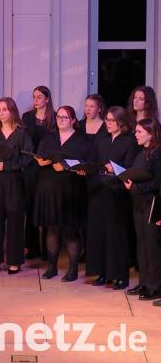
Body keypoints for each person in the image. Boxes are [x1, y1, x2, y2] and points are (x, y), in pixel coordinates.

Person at [34, 106, 90, 282]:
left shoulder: (82, 140)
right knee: (53, 229)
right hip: (50, 189)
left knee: (71, 232)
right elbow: (40, 156)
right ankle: (52, 267)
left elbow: (86, 163)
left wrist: (66, 166)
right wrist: (41, 161)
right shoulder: (49, 137)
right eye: (59, 117)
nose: (61, 120)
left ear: (73, 120)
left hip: (71, 190)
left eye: (65, 117)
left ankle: (73, 270)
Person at [86, 106, 137, 290]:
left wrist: (114, 169)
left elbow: (131, 167)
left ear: (120, 122)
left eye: (111, 120)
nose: (107, 123)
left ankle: (120, 276)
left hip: (117, 193)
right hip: (100, 191)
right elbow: (93, 161)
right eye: (106, 120)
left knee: (116, 235)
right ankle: (103, 273)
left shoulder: (128, 141)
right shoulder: (102, 139)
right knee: (99, 233)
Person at [0, 97, 33, 274]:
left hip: (14, 180)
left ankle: (14, 260)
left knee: (15, 221)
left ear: (12, 111)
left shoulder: (21, 133)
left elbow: (28, 158)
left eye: (5, 109)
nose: (1, 113)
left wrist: (9, 165)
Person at [124, 117, 161, 301]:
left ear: (150, 134)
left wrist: (136, 187)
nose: (135, 135)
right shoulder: (142, 153)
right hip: (139, 204)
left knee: (152, 247)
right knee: (142, 245)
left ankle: (155, 287)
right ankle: (144, 283)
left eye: (139, 132)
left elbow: (157, 183)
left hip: (152, 204)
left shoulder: (158, 154)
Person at [22, 86, 56, 260]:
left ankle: (47, 250)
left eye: (39, 97)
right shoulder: (27, 117)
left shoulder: (55, 118)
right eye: (34, 97)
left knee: (46, 207)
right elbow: (23, 141)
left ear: (47, 99)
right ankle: (32, 247)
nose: (36, 100)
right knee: (30, 206)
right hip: (31, 166)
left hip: (48, 168)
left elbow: (57, 142)